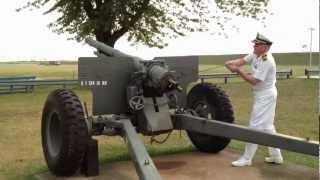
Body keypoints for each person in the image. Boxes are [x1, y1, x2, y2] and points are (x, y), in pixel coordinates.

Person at [225, 33, 283, 167]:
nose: (254, 46)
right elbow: (241, 61)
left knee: (254, 126)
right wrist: (230, 63)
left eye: (257, 44)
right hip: (262, 95)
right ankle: (276, 156)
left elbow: (254, 81)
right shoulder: (255, 55)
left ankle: (246, 158)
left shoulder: (266, 60)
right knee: (268, 127)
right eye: (254, 44)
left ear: (265, 47)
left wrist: (238, 71)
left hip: (265, 95)